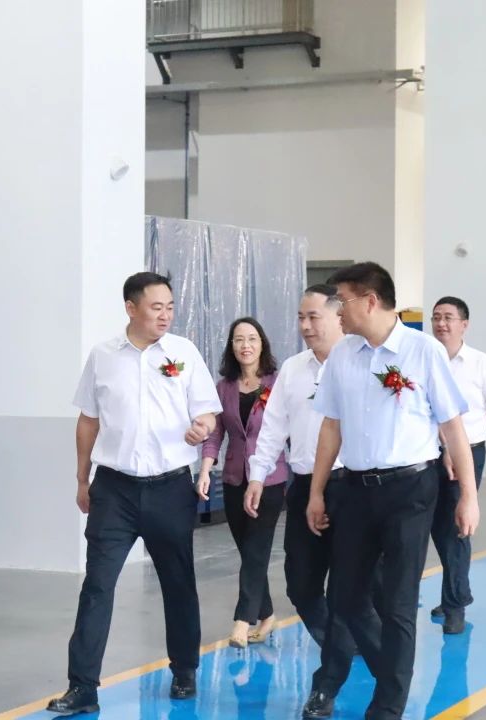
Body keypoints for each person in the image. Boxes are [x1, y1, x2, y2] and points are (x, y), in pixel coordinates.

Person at [306, 262, 478, 720]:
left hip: (411, 490)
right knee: (346, 597)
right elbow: (330, 427)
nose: (337, 311)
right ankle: (393, 673)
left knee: (399, 602)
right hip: (356, 489)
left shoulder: (423, 351)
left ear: (370, 301)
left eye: (341, 301)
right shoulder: (344, 355)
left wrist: (469, 495)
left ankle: (387, 707)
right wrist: (317, 492)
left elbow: (453, 428)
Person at [48, 272, 222, 717]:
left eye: (170, 307)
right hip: (114, 490)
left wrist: (202, 427)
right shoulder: (103, 356)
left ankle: (184, 669)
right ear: (131, 308)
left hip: (170, 488)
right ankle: (82, 686)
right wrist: (82, 478)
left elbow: (208, 413)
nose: (165, 315)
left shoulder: (184, 352)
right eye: (156, 307)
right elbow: (88, 420)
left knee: (178, 583)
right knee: (97, 586)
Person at [243, 284, 384, 718]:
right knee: (301, 585)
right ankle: (357, 652)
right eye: (300, 318)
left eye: (313, 317)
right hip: (305, 488)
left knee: (347, 592)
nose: (305, 326)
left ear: (338, 316)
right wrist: (257, 475)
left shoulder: (363, 362)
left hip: (354, 489)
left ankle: (329, 683)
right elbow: (273, 427)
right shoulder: (293, 368)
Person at [198, 316, 286, 649]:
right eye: (238, 340)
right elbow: (215, 433)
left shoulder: (278, 384)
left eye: (251, 339)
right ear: (231, 347)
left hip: (270, 479)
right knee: (248, 551)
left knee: (256, 549)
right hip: (235, 477)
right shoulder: (224, 387)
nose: (245, 345)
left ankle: (241, 620)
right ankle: (267, 615)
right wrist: (205, 469)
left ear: (262, 343)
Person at [428, 296, 486, 635]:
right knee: (434, 528)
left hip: (469, 454)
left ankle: (455, 605)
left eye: (448, 317)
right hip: (428, 454)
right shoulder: (424, 358)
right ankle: (454, 592)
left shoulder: (480, 363)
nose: (441, 324)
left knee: (457, 528)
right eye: (436, 317)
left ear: (464, 324)